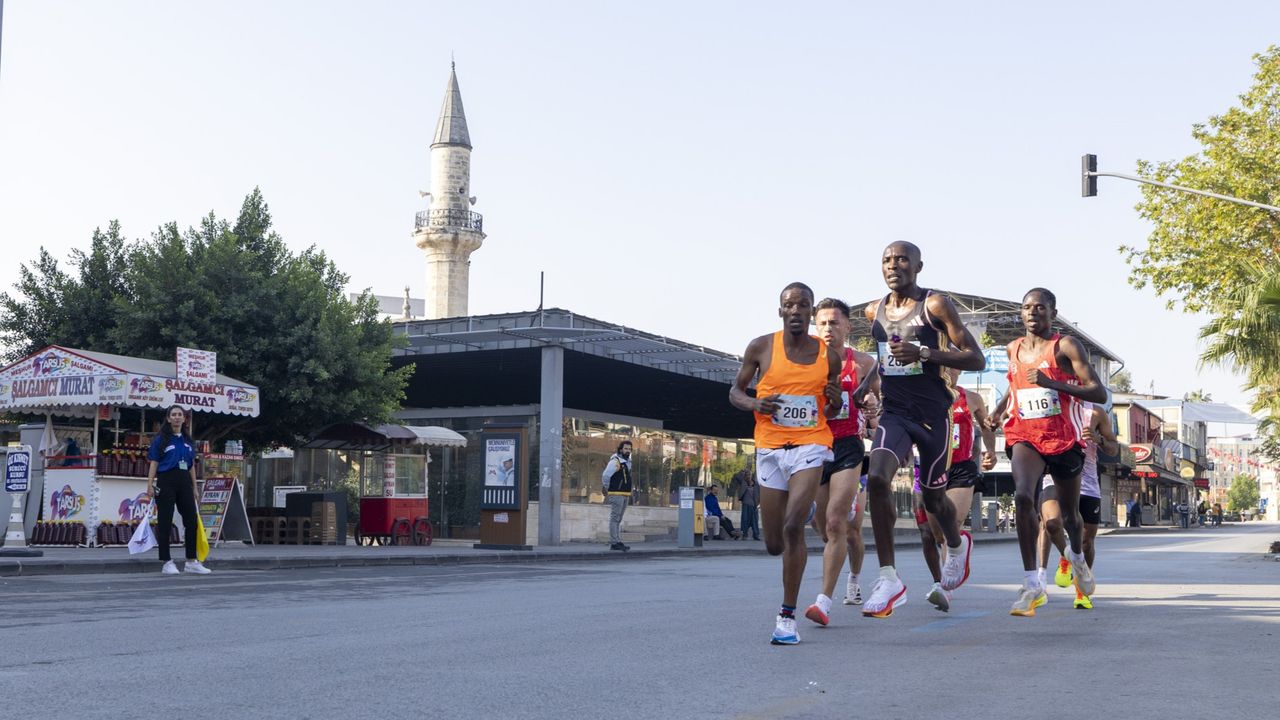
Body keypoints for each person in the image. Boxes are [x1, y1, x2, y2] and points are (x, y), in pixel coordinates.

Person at [861, 242, 987, 618]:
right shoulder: (873, 310)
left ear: (918, 266)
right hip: (896, 412)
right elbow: (885, 359)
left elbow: (976, 357)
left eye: (901, 259)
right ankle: (888, 578)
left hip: (933, 414)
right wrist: (863, 385)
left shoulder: (935, 305)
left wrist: (927, 354)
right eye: (886, 260)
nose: (893, 266)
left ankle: (955, 543)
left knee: (935, 500)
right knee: (879, 479)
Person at [730, 281, 841, 645]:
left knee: (793, 528)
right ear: (780, 311)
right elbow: (735, 391)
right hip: (770, 447)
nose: (796, 311)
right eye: (789, 305)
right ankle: (801, 511)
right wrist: (754, 404)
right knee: (774, 543)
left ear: (811, 312)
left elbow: (834, 405)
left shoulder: (828, 355)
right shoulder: (761, 347)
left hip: (811, 443)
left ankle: (786, 617)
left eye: (803, 305)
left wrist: (836, 399)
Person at [987, 288, 1108, 617]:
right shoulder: (1013, 348)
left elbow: (1098, 391)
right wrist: (999, 411)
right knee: (1024, 497)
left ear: (1053, 313)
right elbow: (1015, 386)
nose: (1032, 313)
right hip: (1025, 434)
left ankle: (1078, 559)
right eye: (1026, 308)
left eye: (1040, 308)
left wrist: (1052, 383)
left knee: (1071, 517)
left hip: (1064, 440)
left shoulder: (1065, 346)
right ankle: (1032, 583)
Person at [804, 297, 879, 627]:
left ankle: (826, 600)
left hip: (848, 446)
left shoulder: (863, 362)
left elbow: (881, 408)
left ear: (848, 327)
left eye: (834, 322)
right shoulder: (804, 361)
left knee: (839, 524)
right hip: (815, 446)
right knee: (823, 527)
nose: (828, 328)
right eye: (821, 323)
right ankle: (834, 545)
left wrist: (874, 408)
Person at [917, 367, 997, 611]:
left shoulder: (972, 398)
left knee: (951, 522)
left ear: (960, 369)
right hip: (932, 466)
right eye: (940, 364)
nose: (946, 370)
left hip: (961, 468)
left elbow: (986, 426)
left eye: (951, 365)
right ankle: (944, 576)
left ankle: (944, 587)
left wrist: (990, 451)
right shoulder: (922, 394)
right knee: (936, 534)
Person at [143, 405, 210, 575]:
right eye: (174, 414)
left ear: (184, 419)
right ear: (168, 418)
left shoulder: (188, 441)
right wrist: (150, 484)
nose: (177, 417)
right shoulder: (161, 439)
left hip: (184, 481)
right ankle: (166, 561)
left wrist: (195, 487)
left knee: (191, 521)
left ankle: (191, 560)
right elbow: (154, 462)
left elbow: (190, 465)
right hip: (166, 480)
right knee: (165, 521)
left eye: (180, 414)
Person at [602, 441, 633, 551]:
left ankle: (617, 541)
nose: (628, 451)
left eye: (629, 449)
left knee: (618, 519)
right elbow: (606, 475)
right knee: (615, 518)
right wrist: (606, 488)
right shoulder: (616, 461)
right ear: (621, 449)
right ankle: (614, 542)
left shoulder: (627, 462)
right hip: (616, 494)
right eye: (626, 449)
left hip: (624, 494)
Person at [739, 472, 761, 541]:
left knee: (754, 520)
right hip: (746, 504)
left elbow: (759, 493)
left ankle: (756, 535)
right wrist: (743, 472)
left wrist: (759, 502)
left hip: (754, 505)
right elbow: (738, 477)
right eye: (747, 475)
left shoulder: (756, 484)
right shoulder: (743, 483)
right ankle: (744, 534)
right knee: (745, 520)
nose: (748, 476)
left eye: (750, 475)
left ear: (752, 476)